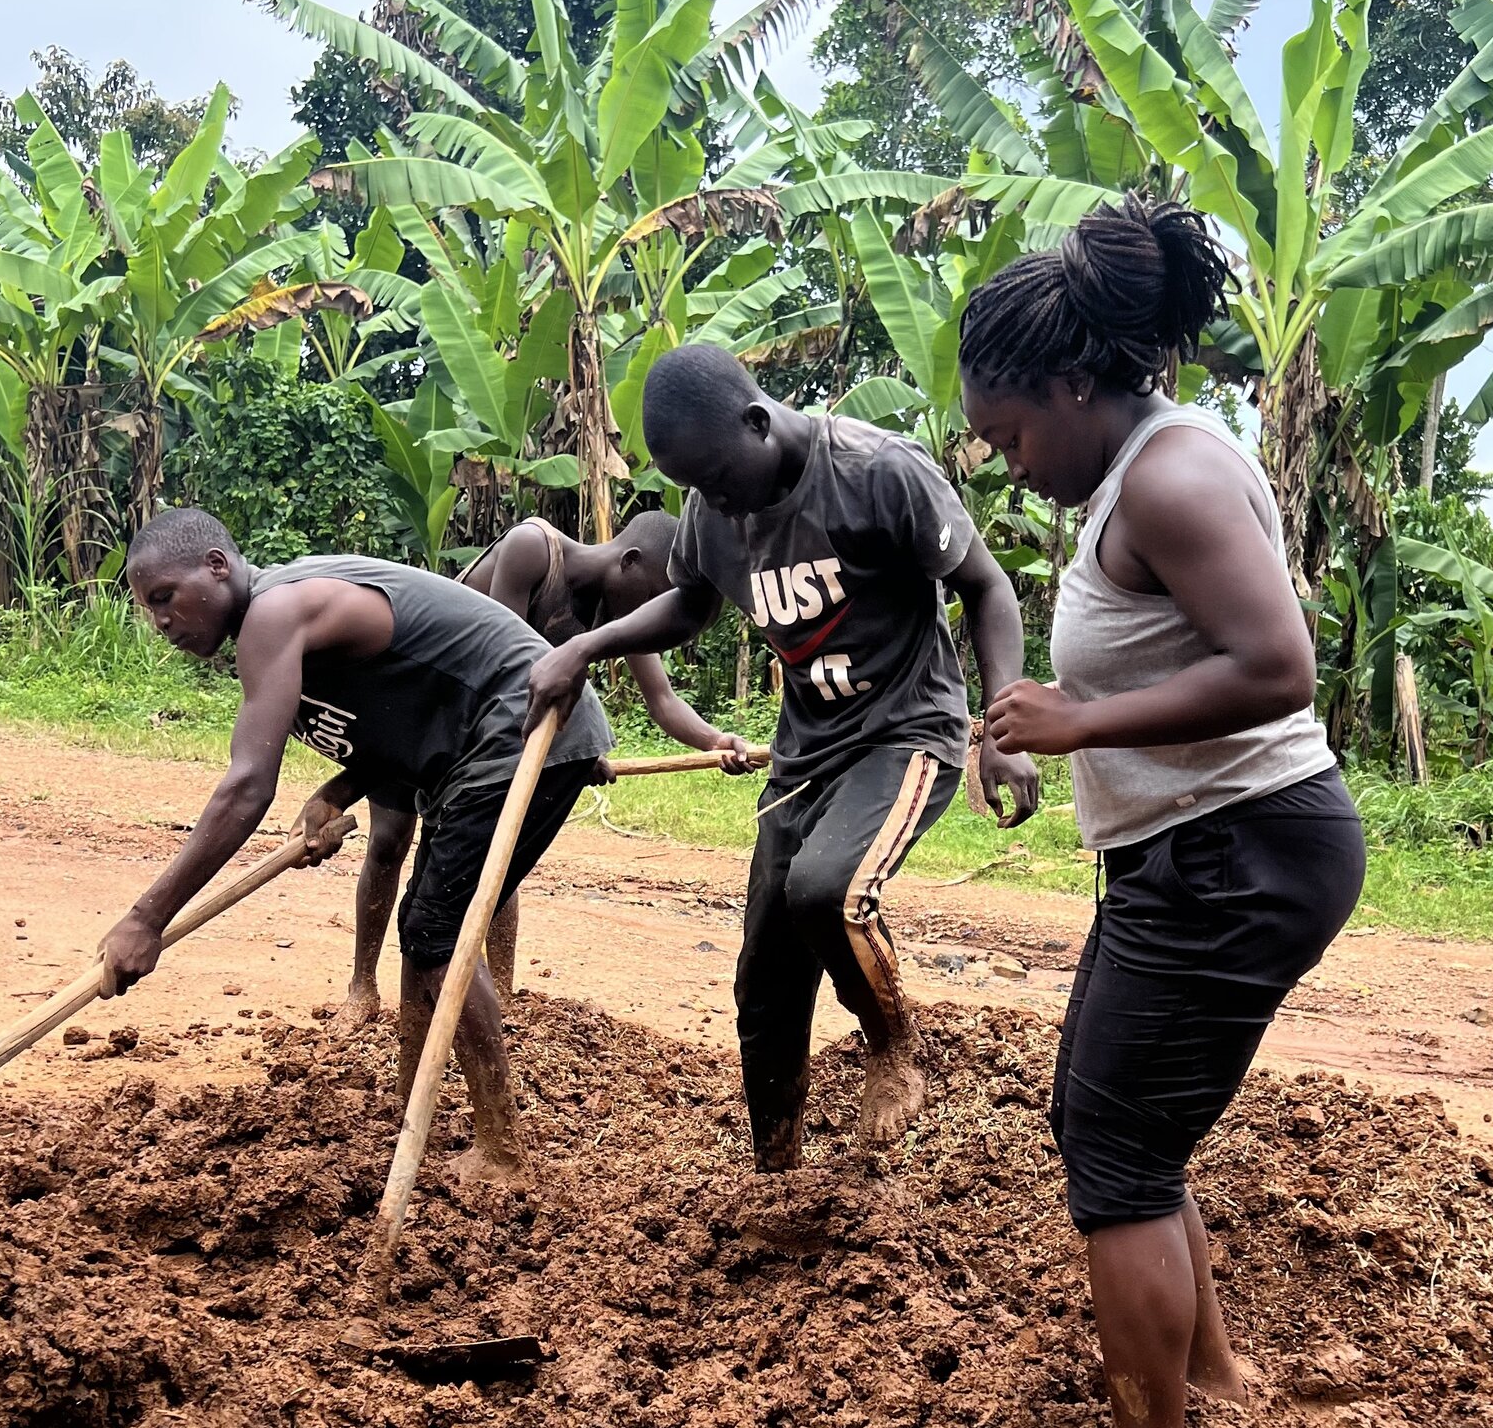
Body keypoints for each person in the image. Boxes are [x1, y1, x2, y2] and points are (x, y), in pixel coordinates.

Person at [958, 196, 1365, 1428]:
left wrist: (1078, 721)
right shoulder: (1138, 468)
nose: (1009, 461)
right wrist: (1050, 733)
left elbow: (1277, 667)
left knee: (1115, 1159)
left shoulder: (1171, 477)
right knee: (1122, 1131)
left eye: (1011, 432)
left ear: (1074, 385)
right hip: (1196, 852)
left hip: (1234, 851)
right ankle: (1218, 1392)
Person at [526, 345, 1040, 1167]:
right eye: (698, 488)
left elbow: (987, 586)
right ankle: (777, 1175)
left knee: (829, 891)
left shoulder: (878, 473)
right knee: (764, 976)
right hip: (806, 753)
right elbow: (689, 605)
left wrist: (1003, 729)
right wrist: (587, 644)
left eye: (722, 480)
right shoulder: (711, 507)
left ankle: (894, 1043)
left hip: (906, 730)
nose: (717, 501)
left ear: (759, 423)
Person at [112, 510, 613, 1190]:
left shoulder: (275, 612)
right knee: (425, 934)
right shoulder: (279, 625)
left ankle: (502, 1151)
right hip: (486, 741)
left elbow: (245, 788)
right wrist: (335, 794)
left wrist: (148, 919)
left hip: (519, 729)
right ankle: (419, 1115)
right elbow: (401, 711)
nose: (161, 621)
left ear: (218, 567)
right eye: (149, 609)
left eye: (166, 597)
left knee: (436, 936)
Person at [331, 508, 749, 1030]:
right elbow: (499, 664)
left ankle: (500, 993)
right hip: (424, 711)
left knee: (493, 853)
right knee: (389, 840)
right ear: (631, 563)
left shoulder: (619, 618)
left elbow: (662, 701)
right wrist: (571, 748)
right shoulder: (534, 549)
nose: (657, 619)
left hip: (493, 738)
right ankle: (362, 986)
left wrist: (715, 741)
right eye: (656, 600)